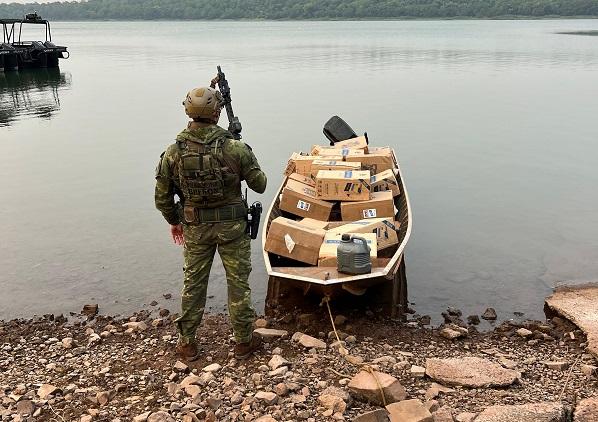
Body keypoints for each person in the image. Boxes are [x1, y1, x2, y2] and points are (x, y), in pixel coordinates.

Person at [154, 83, 267, 361]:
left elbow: (162, 197)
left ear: (187, 112)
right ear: (217, 113)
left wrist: (174, 221)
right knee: (238, 284)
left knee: (193, 284)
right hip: (232, 228)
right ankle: (243, 341)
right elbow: (260, 184)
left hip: (195, 228)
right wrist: (243, 153)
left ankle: (187, 343)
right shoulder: (235, 148)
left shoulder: (173, 152)